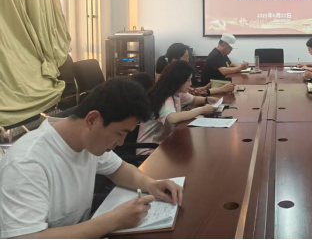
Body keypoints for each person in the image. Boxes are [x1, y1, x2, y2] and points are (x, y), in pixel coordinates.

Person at [0, 79, 184, 239]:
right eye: (120, 133)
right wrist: (113, 220)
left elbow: (119, 169)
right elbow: (25, 237)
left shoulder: (88, 142)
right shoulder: (27, 163)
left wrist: (151, 184)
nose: (121, 143)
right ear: (92, 120)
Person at [138, 61, 219, 153]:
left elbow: (193, 99)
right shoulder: (164, 98)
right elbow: (173, 118)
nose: (190, 83)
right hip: (150, 150)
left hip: (165, 143)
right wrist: (201, 110)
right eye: (188, 80)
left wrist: (207, 100)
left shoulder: (177, 92)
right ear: (178, 80)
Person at [156, 43, 235, 95]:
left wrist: (204, 88)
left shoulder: (173, 71)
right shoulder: (171, 76)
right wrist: (220, 89)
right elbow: (191, 94)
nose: (188, 60)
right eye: (186, 57)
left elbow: (190, 91)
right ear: (174, 60)